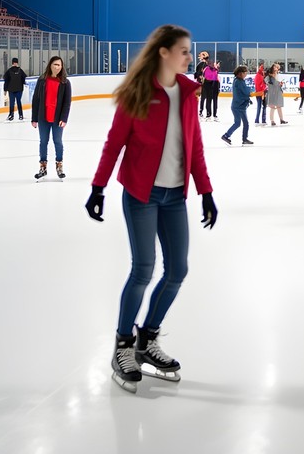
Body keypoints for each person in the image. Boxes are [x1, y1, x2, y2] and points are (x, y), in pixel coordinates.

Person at [85, 24, 218, 394]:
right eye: (184, 51)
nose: (190, 57)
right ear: (163, 52)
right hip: (142, 195)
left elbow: (196, 148)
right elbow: (114, 144)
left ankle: (147, 339)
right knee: (143, 270)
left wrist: (205, 192)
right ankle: (123, 346)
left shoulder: (189, 95)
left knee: (177, 270)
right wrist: (98, 187)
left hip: (175, 197)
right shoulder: (138, 94)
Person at [31, 56, 72, 181]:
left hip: (57, 118)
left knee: (57, 141)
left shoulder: (65, 83)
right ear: (50, 65)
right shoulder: (42, 80)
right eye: (55, 64)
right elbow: (36, 100)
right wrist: (34, 118)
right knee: (43, 142)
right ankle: (42, 168)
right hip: (43, 117)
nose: (57, 67)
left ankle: (59, 166)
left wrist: (64, 118)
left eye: (59, 65)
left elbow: (67, 102)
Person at [221, 65, 254, 146]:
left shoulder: (239, 81)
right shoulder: (239, 82)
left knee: (243, 123)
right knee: (239, 123)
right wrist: (250, 94)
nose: (246, 74)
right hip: (238, 106)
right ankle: (227, 136)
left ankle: (243, 138)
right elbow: (245, 92)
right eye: (245, 72)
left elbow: (243, 92)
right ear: (240, 73)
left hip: (240, 106)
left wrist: (248, 99)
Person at [253, 61, 267, 126]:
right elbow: (260, 85)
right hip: (261, 93)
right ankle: (258, 120)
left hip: (261, 93)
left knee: (262, 106)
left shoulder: (260, 75)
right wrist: (264, 90)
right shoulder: (259, 76)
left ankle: (260, 120)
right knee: (261, 106)